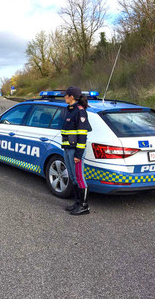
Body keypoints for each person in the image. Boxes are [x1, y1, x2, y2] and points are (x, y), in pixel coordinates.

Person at [61, 86, 92, 215]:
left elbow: (82, 135)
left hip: (75, 151)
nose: (64, 97)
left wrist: (78, 154)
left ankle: (84, 206)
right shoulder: (71, 110)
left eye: (66, 95)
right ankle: (77, 203)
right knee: (73, 177)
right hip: (68, 149)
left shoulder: (80, 111)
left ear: (71, 97)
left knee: (79, 177)